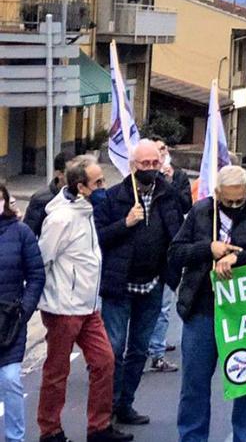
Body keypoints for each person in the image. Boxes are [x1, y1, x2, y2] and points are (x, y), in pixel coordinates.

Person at [169, 164, 246, 442]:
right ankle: (192, 437)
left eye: (239, 200)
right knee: (194, 385)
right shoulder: (200, 212)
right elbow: (176, 253)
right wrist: (208, 250)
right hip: (201, 310)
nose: (234, 205)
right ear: (217, 194)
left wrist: (237, 259)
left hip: (244, 314)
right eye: (228, 201)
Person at [37, 156, 131, 442]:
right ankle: (50, 430)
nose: (104, 186)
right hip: (63, 308)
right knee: (57, 371)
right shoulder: (62, 218)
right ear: (81, 187)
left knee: (104, 362)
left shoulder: (87, 211)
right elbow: (43, 259)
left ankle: (99, 428)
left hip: (89, 307)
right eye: (98, 182)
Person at [94, 140, 186, 426]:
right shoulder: (112, 198)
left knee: (138, 349)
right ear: (133, 166)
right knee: (114, 349)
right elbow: (97, 239)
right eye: (144, 165)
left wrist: (173, 273)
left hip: (153, 284)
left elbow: (178, 234)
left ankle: (126, 405)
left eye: (154, 164)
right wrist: (125, 223)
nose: (150, 169)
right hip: (120, 285)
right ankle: (106, 408)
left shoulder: (167, 196)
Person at [0, 182, 45, 442]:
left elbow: (36, 275)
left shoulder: (21, 232)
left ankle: (15, 438)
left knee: (10, 379)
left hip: (10, 322)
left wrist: (25, 310)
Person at [145, 138, 188, 375]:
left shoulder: (177, 177)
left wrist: (170, 181)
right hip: (146, 259)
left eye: (164, 150)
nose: (163, 154)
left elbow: (184, 205)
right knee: (145, 306)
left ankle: (157, 352)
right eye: (158, 151)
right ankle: (143, 347)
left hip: (168, 255)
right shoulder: (137, 185)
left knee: (163, 306)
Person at [23, 151, 69, 238]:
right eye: (71, 173)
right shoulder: (41, 199)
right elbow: (28, 235)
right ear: (59, 174)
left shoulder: (82, 196)